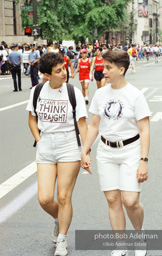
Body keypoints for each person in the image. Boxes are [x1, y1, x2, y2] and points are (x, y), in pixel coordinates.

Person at [81, 49, 151, 256]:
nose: (104, 70)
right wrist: (85, 150)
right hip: (105, 151)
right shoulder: (101, 93)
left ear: (121, 70)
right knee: (112, 199)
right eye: (104, 66)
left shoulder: (135, 95)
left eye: (108, 67)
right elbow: (94, 125)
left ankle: (139, 235)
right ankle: (120, 244)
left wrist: (143, 160)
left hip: (130, 150)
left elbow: (144, 130)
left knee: (130, 200)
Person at [26, 52, 88, 256]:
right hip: (45, 146)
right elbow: (32, 119)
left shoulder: (73, 92)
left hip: (68, 144)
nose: (64, 73)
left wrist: (85, 151)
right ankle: (59, 219)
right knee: (44, 199)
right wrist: (39, 139)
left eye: (64, 68)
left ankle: (62, 239)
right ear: (46, 75)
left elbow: (82, 123)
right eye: (58, 71)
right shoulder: (37, 91)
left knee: (63, 196)